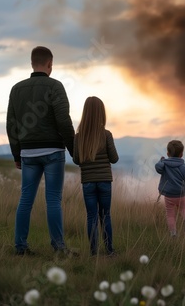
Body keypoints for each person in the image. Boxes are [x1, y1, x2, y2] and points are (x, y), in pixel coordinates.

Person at [6, 46, 75, 256]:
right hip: (53, 151)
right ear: (50, 64)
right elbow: (63, 120)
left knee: (25, 199)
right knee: (53, 200)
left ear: (31, 63)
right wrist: (73, 149)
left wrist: (17, 154)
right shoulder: (56, 86)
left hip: (28, 153)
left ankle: (20, 247)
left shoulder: (16, 89)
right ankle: (59, 247)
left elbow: (11, 125)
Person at [73, 96, 119, 256]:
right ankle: (110, 251)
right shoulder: (106, 135)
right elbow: (114, 158)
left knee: (91, 216)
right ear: (101, 114)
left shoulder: (79, 137)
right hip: (105, 181)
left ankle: (93, 253)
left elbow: (77, 160)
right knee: (106, 216)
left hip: (88, 182)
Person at [155, 140, 185, 237]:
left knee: (170, 214)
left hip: (169, 196)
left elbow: (158, 168)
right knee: (184, 208)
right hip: (181, 195)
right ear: (181, 154)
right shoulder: (184, 167)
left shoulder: (164, 165)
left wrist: (162, 161)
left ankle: (173, 234)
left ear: (168, 153)